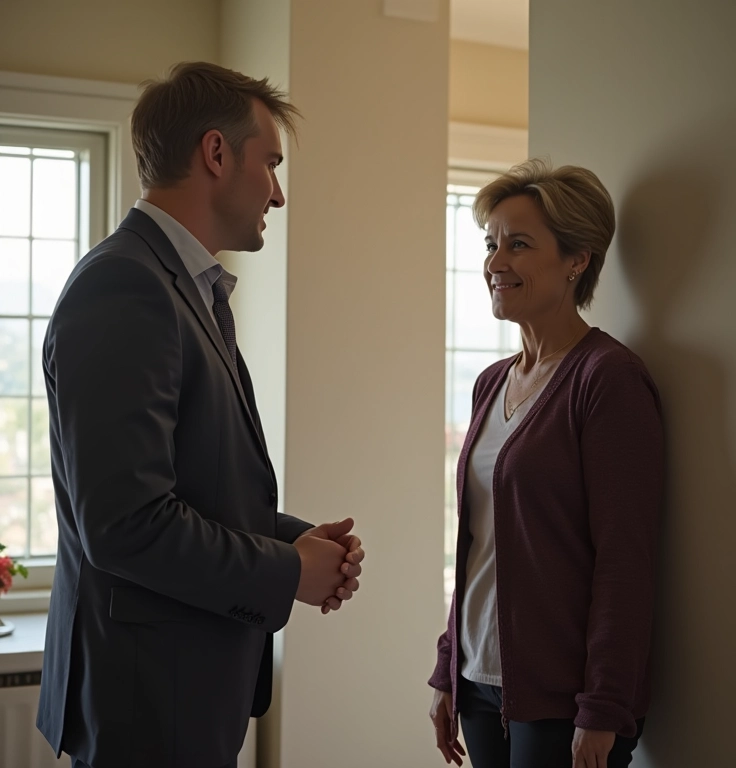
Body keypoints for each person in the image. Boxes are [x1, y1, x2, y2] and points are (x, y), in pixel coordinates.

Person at [36, 62, 364, 768]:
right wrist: (287, 572)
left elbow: (193, 485)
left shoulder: (182, 288)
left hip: (178, 697)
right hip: (148, 705)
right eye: (271, 164)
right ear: (216, 152)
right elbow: (126, 525)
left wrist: (298, 543)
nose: (278, 193)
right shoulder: (127, 286)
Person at [429, 159, 663, 768]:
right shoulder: (490, 383)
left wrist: (605, 704)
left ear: (577, 259)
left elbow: (625, 558)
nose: (495, 263)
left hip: (564, 698)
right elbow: (479, 543)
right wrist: (448, 667)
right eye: (491, 244)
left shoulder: (606, 379)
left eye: (519, 244)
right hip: (478, 681)